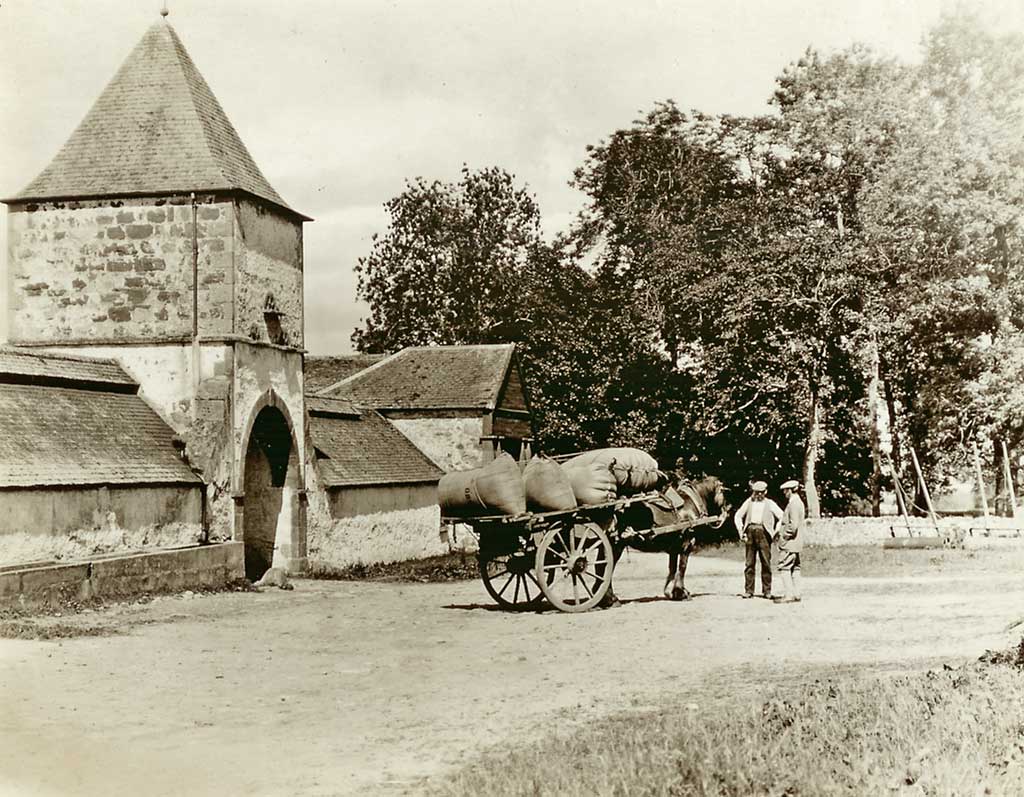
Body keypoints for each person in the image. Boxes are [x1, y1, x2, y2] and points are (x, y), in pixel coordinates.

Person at [734, 480, 783, 599]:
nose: (759, 495)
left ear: (765, 492)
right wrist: (741, 530)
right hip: (750, 532)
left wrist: (776, 531)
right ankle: (748, 590)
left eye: (761, 492)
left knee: (766, 562)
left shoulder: (770, 503)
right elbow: (738, 516)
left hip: (764, 533)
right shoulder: (748, 502)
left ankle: (767, 591)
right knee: (749, 563)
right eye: (756, 492)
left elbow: (782, 516)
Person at [773, 479, 805, 603]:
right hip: (796, 543)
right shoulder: (798, 502)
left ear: (791, 491)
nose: (784, 493)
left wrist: (784, 536)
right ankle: (797, 593)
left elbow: (793, 525)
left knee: (784, 567)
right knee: (795, 568)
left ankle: (789, 595)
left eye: (786, 491)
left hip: (789, 543)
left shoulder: (793, 504)